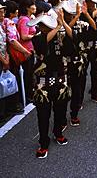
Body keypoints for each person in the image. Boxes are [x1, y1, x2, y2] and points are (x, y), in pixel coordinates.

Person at [30, 8, 73, 159]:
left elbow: (71, 45)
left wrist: (63, 25)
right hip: (43, 82)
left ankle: (58, 133)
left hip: (60, 80)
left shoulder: (60, 36)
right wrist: (57, 27)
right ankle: (43, 142)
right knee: (43, 115)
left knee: (60, 111)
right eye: (43, 25)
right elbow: (42, 44)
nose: (44, 27)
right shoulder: (37, 37)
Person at [17, 0, 37, 102]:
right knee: (27, 74)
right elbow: (24, 36)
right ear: (27, 8)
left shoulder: (29, 18)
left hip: (30, 49)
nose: (35, 7)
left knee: (30, 73)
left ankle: (29, 94)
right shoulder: (24, 19)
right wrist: (35, 36)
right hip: (26, 51)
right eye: (32, 5)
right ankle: (27, 96)